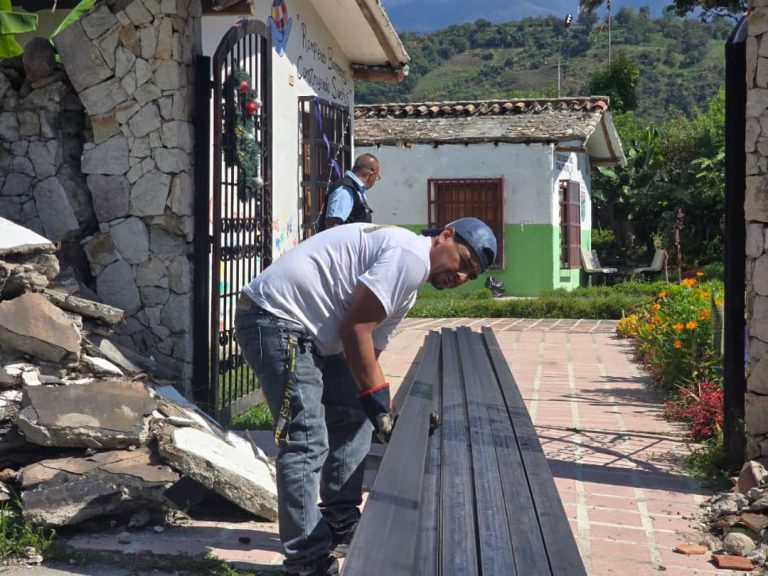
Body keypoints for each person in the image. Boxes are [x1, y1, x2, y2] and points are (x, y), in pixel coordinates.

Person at [234, 218, 496, 576]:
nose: (461, 277)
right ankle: (306, 560)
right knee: (306, 439)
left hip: (305, 330)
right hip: (275, 319)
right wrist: (379, 405)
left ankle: (340, 520)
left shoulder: (408, 287)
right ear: (445, 236)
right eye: (464, 263)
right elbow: (355, 328)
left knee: (354, 411)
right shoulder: (410, 256)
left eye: (472, 276)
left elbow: (368, 352)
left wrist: (380, 410)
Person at [316, 153, 380, 231]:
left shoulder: (357, 190)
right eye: (377, 177)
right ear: (372, 172)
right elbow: (333, 226)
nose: (375, 180)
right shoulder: (346, 190)